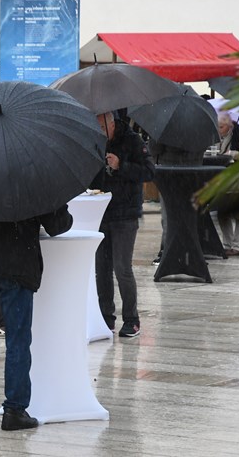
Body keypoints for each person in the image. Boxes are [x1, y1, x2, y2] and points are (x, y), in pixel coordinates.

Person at [0, 206, 73, 431]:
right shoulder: (32, 176)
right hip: (17, 265)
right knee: (18, 341)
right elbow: (58, 225)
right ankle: (14, 410)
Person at [91, 111, 155, 337]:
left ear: (111, 122)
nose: (98, 131)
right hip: (101, 212)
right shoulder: (94, 141)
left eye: (101, 127)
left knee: (122, 268)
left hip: (125, 213)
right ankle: (105, 317)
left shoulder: (133, 141)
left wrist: (121, 166)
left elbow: (149, 172)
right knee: (102, 269)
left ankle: (132, 319)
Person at [147, 137, 203, 265]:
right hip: (193, 172)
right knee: (189, 216)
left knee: (168, 215)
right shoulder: (200, 126)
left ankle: (166, 251)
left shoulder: (166, 126)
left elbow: (154, 148)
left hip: (169, 173)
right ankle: (190, 252)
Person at [216, 112, 239, 256]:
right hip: (223, 178)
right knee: (222, 211)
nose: (219, 129)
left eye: (221, 127)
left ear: (229, 125)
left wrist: (234, 154)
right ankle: (227, 244)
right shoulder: (219, 137)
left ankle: (238, 246)